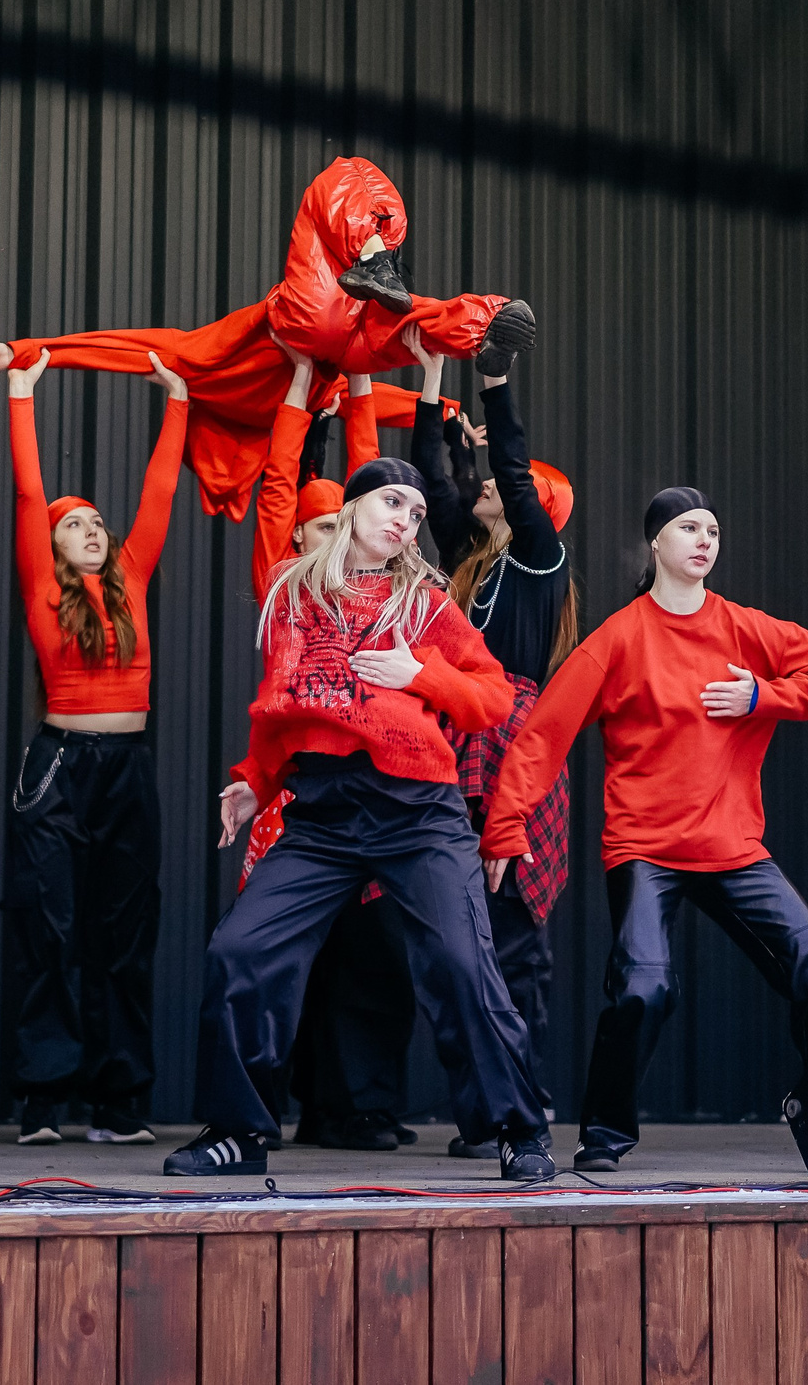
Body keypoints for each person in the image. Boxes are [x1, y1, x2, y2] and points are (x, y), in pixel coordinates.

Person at [170, 459, 556, 1181]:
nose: (405, 519)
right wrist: (257, 780)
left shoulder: (425, 603)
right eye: (391, 501)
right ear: (350, 507)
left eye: (414, 512)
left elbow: (492, 698)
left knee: (462, 964)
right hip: (322, 812)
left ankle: (516, 1127)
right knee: (240, 952)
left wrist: (421, 676)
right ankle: (237, 1130)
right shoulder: (293, 594)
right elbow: (284, 699)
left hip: (417, 809)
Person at [484, 488, 808, 1173]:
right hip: (646, 850)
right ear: (655, 542)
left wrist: (764, 696)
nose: (705, 539)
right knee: (643, 989)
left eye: (714, 529)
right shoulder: (619, 638)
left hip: (733, 848)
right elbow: (543, 735)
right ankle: (603, 1135)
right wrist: (506, 825)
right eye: (689, 527)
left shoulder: (746, 629)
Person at [0, 158, 535, 519]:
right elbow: (370, 418)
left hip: (319, 330)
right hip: (326, 335)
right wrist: (441, 407)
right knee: (363, 205)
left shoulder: (224, 375)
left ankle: (444, 300)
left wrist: (25, 350)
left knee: (403, 319)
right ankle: (479, 316)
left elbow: (123, 350)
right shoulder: (298, 406)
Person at [0, 341, 190, 1146]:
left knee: (125, 931)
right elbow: (30, 491)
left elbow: (160, 491)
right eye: (77, 525)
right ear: (54, 543)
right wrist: (22, 393)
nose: (92, 530)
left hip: (128, 767)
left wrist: (178, 401)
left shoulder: (131, 574)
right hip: (58, 765)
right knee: (51, 929)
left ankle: (119, 1098)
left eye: (97, 522)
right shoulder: (41, 581)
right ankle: (42, 1098)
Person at [240, 351, 420, 1153]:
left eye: (331, 519)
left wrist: (359, 386)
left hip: (376, 785)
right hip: (299, 793)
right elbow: (280, 482)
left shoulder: (387, 581)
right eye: (309, 524)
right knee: (282, 957)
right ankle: (265, 1108)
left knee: (372, 960)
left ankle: (359, 1109)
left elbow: (367, 470)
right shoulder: (285, 582)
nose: (322, 531)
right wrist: (298, 393)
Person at [408, 338, 578, 1156]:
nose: (484, 490)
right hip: (451, 739)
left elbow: (507, 469)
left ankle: (523, 1109)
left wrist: (496, 384)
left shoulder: (541, 560)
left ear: (533, 502)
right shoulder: (464, 561)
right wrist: (431, 379)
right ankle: (482, 1114)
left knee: (514, 943)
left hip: (514, 749)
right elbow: (433, 479)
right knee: (453, 947)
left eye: (509, 488)